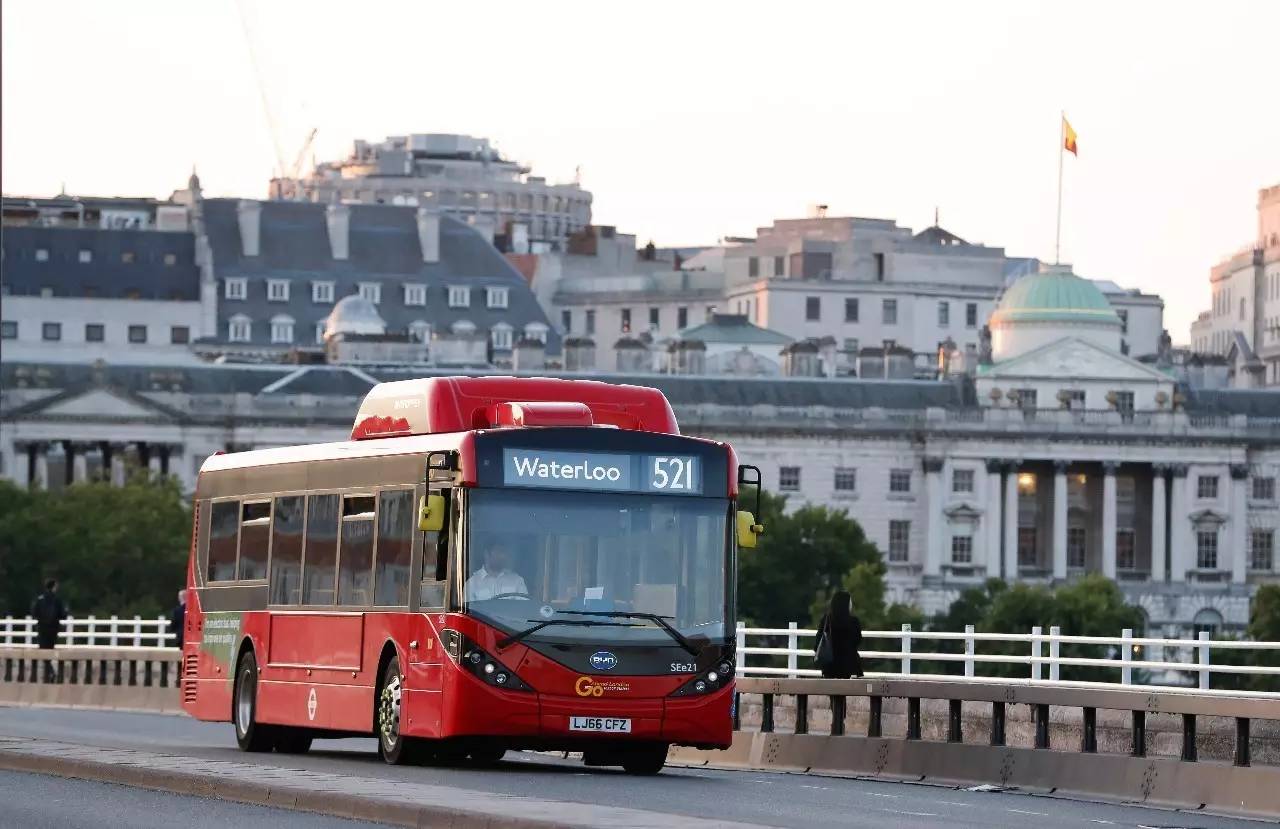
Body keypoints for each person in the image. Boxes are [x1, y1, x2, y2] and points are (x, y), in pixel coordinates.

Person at [816, 591, 864, 679]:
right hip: (847, 664)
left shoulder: (826, 620)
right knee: (844, 687)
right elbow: (857, 640)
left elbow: (818, 640)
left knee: (830, 687)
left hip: (829, 663)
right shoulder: (853, 621)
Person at [30, 578, 66, 651]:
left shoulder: (39, 599)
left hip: (42, 626)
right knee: (50, 647)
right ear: (53, 587)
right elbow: (62, 614)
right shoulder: (57, 599)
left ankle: (44, 661)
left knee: (42, 646)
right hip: (53, 627)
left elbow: (34, 612)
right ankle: (48, 662)